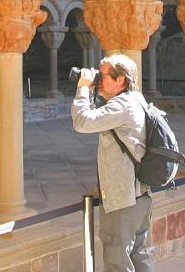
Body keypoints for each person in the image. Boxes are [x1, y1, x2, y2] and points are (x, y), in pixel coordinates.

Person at [71, 55, 153, 272]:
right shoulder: (136, 99)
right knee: (138, 255)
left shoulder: (122, 106)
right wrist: (94, 90)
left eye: (104, 75)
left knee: (117, 261)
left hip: (122, 200)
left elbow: (82, 122)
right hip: (139, 195)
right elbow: (100, 114)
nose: (99, 79)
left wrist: (83, 87)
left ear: (121, 79)